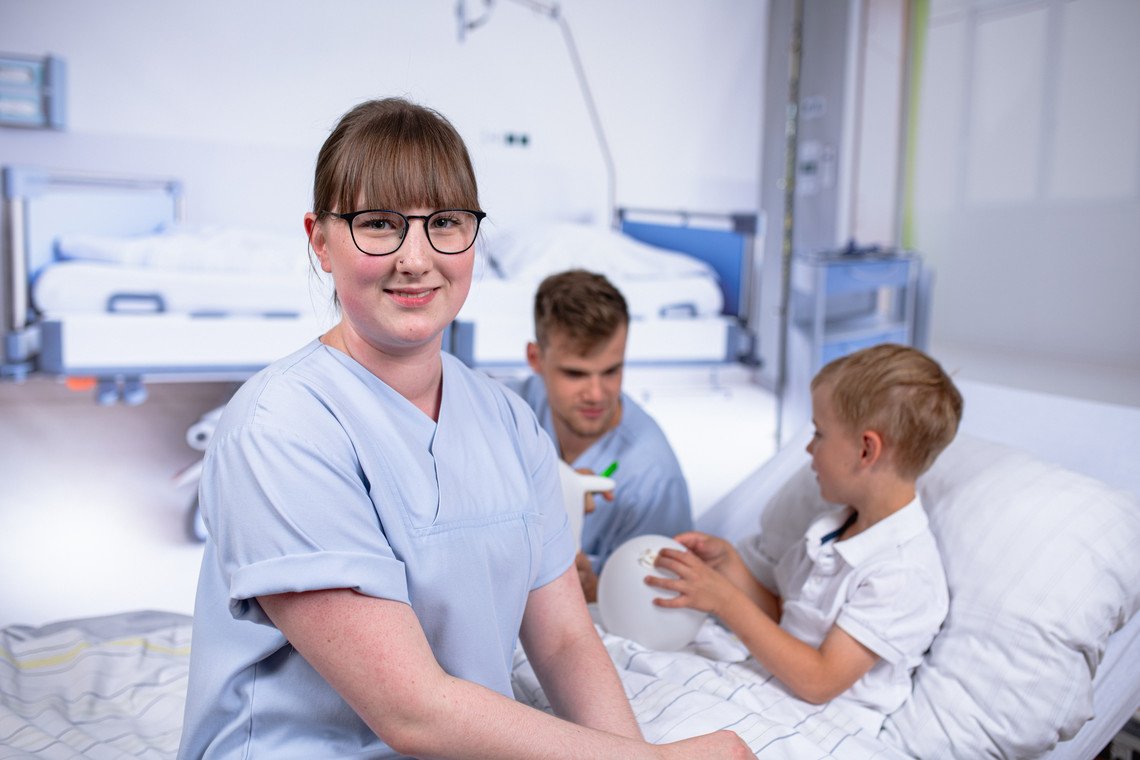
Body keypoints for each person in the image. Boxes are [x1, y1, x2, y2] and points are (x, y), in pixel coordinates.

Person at [177, 98, 748, 759]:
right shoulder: (280, 429)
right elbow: (411, 712)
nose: (416, 258)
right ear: (320, 241)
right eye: (379, 224)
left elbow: (565, 642)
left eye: (445, 222)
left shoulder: (508, 421)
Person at [649, 343, 962, 733]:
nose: (809, 448)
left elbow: (819, 680)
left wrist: (725, 601)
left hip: (821, 724)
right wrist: (730, 568)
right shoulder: (833, 528)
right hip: (770, 689)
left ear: (866, 450)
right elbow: (788, 621)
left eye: (819, 433)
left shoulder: (902, 572)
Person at [510, 269, 693, 603]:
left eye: (611, 371)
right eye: (575, 374)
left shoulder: (653, 477)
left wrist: (594, 591)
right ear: (535, 359)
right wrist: (545, 488)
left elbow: (659, 603)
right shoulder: (504, 411)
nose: (596, 394)